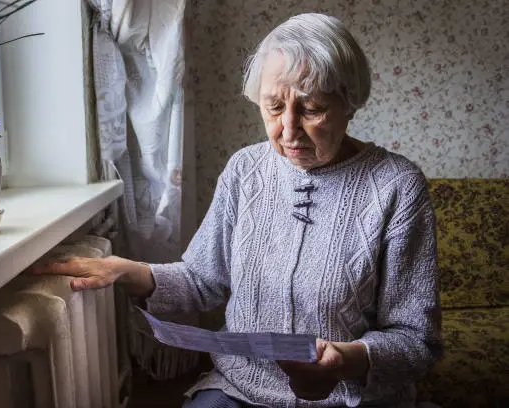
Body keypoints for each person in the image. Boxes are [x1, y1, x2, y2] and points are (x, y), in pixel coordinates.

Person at [33, 13, 443, 408]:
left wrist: (347, 360)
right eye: (274, 107)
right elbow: (201, 280)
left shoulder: (396, 186)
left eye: (312, 109)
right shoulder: (245, 169)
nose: (288, 130)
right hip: (240, 390)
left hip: (352, 397)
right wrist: (126, 271)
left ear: (349, 103)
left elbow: (416, 339)